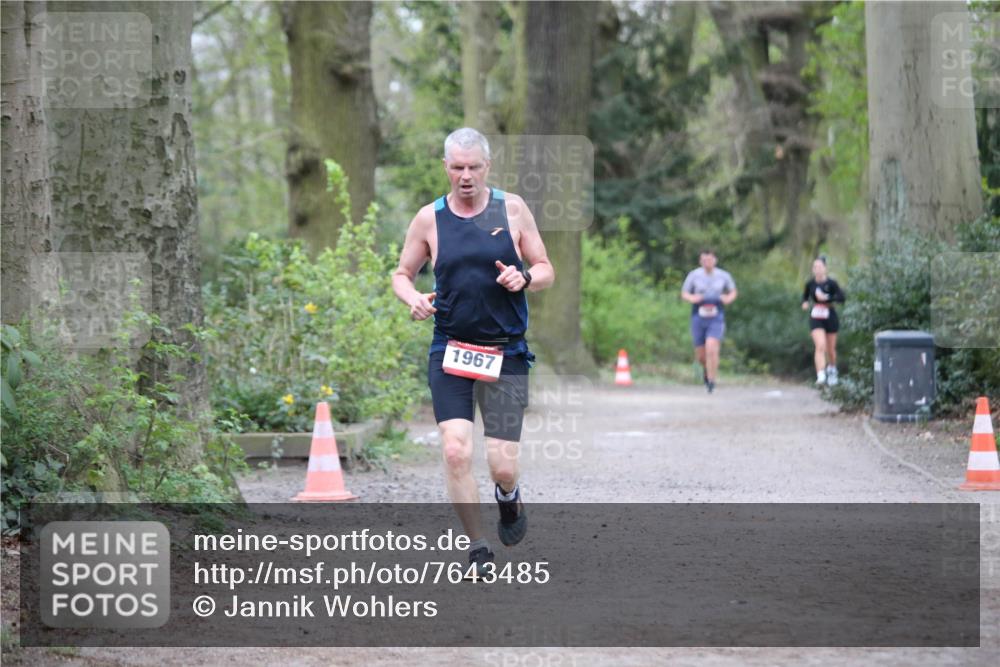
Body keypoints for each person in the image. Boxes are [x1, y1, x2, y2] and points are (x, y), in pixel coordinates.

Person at [392, 128, 554, 576]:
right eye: (457, 167)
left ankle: (508, 497)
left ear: (487, 166)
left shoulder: (513, 208)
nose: (466, 176)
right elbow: (402, 274)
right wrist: (415, 299)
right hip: (451, 349)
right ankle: (477, 547)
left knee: (502, 464)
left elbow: (545, 268)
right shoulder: (430, 218)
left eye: (474, 167)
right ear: (445, 167)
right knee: (456, 451)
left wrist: (524, 278)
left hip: (506, 352)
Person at [680, 250, 737, 394]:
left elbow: (733, 292)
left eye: (710, 260)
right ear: (700, 261)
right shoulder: (694, 275)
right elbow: (684, 293)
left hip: (716, 315)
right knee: (701, 355)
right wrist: (692, 298)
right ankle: (706, 370)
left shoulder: (723, 275)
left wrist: (727, 298)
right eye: (704, 260)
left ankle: (712, 380)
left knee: (712, 346)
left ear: (715, 260)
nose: (707, 263)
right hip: (698, 314)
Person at [801, 256, 845, 386]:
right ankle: (820, 375)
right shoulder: (810, 284)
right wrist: (804, 303)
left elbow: (841, 298)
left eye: (820, 267)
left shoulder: (832, 283)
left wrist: (827, 298)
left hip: (830, 315)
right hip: (816, 316)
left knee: (830, 350)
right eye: (815, 267)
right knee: (820, 345)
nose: (817, 270)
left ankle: (832, 370)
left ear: (825, 268)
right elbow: (804, 297)